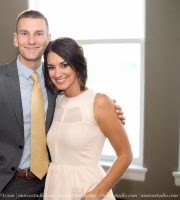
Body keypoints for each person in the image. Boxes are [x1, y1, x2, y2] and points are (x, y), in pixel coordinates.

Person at [0, 10, 125, 200]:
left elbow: (81, 101)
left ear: (47, 39)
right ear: (16, 39)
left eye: (38, 33)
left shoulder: (56, 83)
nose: (31, 40)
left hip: (51, 184)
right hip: (6, 185)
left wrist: (111, 110)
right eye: (25, 33)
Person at [42, 37, 132, 200]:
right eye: (51, 67)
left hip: (86, 190)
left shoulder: (99, 101)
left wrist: (97, 193)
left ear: (77, 64)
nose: (57, 73)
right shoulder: (57, 100)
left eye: (64, 65)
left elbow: (125, 154)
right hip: (55, 188)